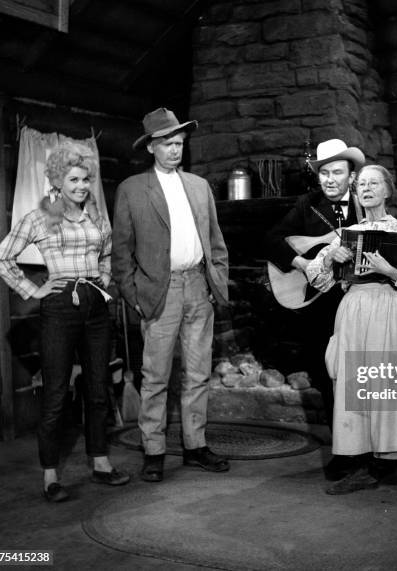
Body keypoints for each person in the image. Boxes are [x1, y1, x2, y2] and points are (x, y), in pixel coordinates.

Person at [0, 141, 130, 502]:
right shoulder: (40, 217)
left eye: (85, 179)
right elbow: (1, 258)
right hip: (58, 307)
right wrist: (32, 290)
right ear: (57, 181)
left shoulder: (96, 214)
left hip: (96, 307)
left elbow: (109, 251)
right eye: (73, 179)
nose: (82, 186)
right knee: (55, 393)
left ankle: (100, 462)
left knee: (98, 389)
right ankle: (51, 475)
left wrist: (104, 277)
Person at [112, 107, 229, 483]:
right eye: (167, 144)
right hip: (158, 292)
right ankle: (154, 450)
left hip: (198, 286)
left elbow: (216, 243)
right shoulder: (132, 189)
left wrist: (215, 282)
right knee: (156, 376)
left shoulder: (198, 186)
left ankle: (195, 446)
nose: (175, 150)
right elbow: (121, 251)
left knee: (197, 374)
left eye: (179, 143)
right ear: (151, 148)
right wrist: (134, 296)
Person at [306, 164, 397, 505]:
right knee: (355, 388)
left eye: (374, 183)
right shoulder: (346, 233)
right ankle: (364, 465)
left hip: (389, 309)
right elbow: (318, 278)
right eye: (361, 184)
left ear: (388, 190)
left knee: (394, 388)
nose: (367, 188)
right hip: (354, 310)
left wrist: (388, 270)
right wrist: (332, 255)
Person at [266, 139, 364, 481]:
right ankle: (343, 450)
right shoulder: (307, 205)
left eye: (338, 172)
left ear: (352, 176)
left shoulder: (366, 206)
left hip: (358, 304)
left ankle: (370, 449)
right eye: (324, 173)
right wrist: (303, 264)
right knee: (327, 378)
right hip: (320, 307)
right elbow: (272, 239)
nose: (330, 179)